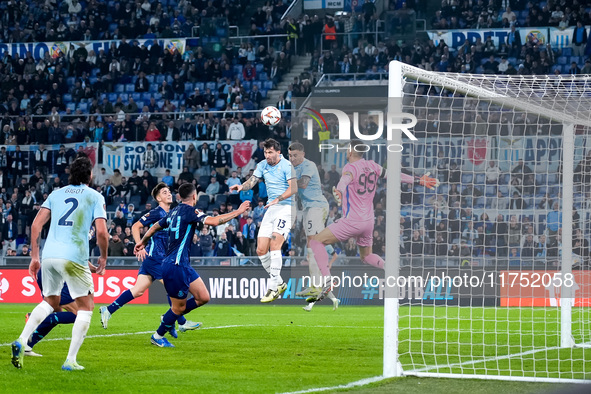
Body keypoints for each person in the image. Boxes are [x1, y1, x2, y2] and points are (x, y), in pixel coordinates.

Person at [308, 140, 439, 302]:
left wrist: (339, 191)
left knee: (316, 242)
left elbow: (345, 179)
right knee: (367, 255)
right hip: (369, 222)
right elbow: (394, 175)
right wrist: (418, 180)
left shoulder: (350, 168)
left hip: (352, 221)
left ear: (350, 151)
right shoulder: (373, 166)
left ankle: (327, 280)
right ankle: (388, 267)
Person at [11, 156, 109, 371]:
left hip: (49, 256)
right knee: (86, 307)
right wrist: (103, 257)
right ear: (90, 176)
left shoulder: (56, 194)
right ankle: (70, 361)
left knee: (50, 301)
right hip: (73, 256)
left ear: (70, 174)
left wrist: (35, 256)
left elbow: (36, 225)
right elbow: (101, 232)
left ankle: (22, 339)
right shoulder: (94, 196)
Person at [134, 183, 250, 347]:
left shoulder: (173, 212)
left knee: (203, 297)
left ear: (179, 196)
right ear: (194, 196)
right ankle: (158, 335)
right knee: (178, 308)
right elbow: (215, 221)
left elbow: (154, 227)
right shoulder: (190, 211)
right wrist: (238, 212)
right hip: (175, 265)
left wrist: (142, 242)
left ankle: (170, 315)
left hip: (183, 265)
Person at [99, 183, 200, 333]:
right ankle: (180, 321)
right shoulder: (156, 212)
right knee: (171, 285)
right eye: (164, 192)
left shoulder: (172, 213)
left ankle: (108, 309)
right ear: (158, 198)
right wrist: (140, 245)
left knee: (138, 290)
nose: (168, 194)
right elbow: (135, 226)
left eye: (169, 191)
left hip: (158, 258)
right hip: (155, 257)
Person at [230, 138, 297, 303]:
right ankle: (280, 282)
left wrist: (278, 199)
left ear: (278, 152)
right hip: (271, 208)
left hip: (286, 207)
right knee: (261, 250)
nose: (267, 155)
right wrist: (241, 186)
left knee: (275, 245)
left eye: (270, 152)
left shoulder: (287, 166)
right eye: (266, 152)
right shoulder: (262, 165)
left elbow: (293, 188)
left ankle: (273, 287)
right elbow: (252, 181)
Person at [288, 142, 340, 311]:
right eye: (290, 155)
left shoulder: (308, 165)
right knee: (311, 246)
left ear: (302, 154)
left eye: (295, 155)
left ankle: (317, 286)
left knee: (313, 244)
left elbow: (302, 184)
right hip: (309, 208)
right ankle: (316, 285)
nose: (293, 158)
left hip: (318, 205)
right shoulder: (292, 169)